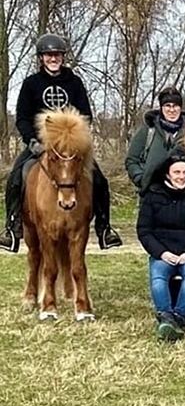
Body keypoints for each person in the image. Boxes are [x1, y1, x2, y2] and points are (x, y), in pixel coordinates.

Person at [1, 34, 122, 251]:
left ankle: (104, 229)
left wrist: (77, 139)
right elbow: (22, 117)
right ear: (41, 58)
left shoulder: (74, 83)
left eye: (57, 55)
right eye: (49, 55)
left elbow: (85, 114)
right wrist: (31, 141)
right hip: (40, 145)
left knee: (100, 180)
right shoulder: (31, 84)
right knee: (16, 178)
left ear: (62, 57)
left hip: (70, 147)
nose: (53, 58)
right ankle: (12, 227)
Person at [136, 152, 185, 341]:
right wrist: (161, 252)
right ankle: (165, 315)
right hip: (163, 252)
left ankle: (179, 317)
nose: (181, 176)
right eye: (176, 172)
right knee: (158, 277)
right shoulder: (152, 196)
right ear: (167, 175)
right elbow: (144, 230)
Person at [126, 86, 185, 195]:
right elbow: (131, 160)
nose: (172, 110)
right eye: (167, 106)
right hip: (151, 194)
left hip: (184, 195)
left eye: (175, 106)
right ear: (161, 108)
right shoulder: (147, 131)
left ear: (180, 107)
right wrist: (142, 179)